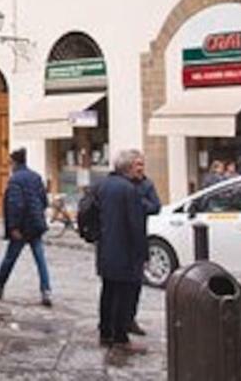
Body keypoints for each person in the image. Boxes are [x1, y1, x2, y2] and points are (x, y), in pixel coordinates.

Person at [96, 149, 148, 355]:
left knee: (108, 292)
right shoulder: (129, 190)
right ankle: (120, 336)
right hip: (124, 250)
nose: (141, 169)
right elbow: (136, 225)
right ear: (128, 167)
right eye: (138, 165)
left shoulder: (102, 185)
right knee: (124, 295)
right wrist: (142, 253)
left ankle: (105, 332)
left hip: (105, 248)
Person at [0, 148, 52, 306]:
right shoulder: (36, 177)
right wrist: (38, 216)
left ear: (14, 162)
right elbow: (43, 200)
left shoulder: (15, 180)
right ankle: (46, 291)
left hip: (22, 226)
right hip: (35, 224)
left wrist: (14, 226)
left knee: (10, 258)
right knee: (40, 259)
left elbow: (15, 204)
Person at [127, 170, 162, 336]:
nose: (140, 169)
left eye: (142, 164)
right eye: (137, 165)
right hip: (119, 240)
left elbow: (156, 207)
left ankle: (130, 318)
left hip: (139, 237)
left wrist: (138, 202)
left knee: (136, 282)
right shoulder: (120, 183)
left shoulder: (147, 184)